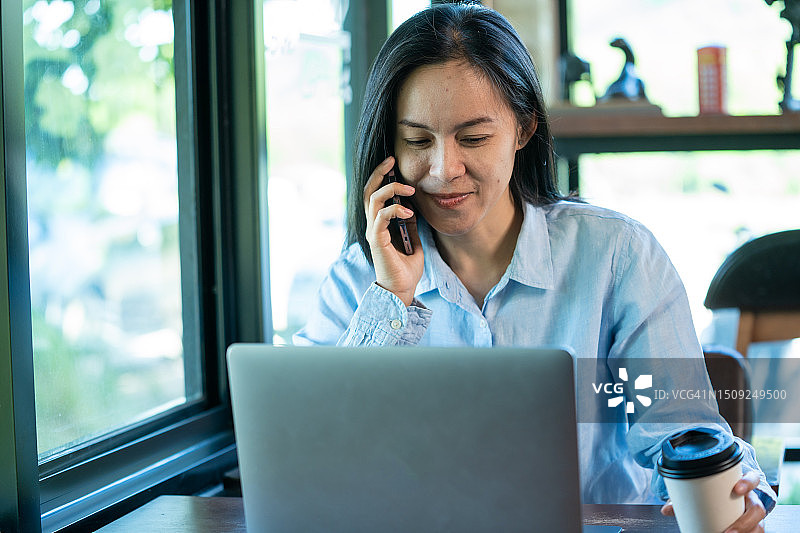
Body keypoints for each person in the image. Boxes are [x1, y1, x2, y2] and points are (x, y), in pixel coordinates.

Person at [294, 3, 775, 530]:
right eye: (416, 141)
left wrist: (729, 491)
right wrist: (392, 299)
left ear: (523, 129)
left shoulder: (617, 255)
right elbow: (319, 464)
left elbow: (683, 436)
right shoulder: (358, 278)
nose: (443, 169)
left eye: (473, 138)